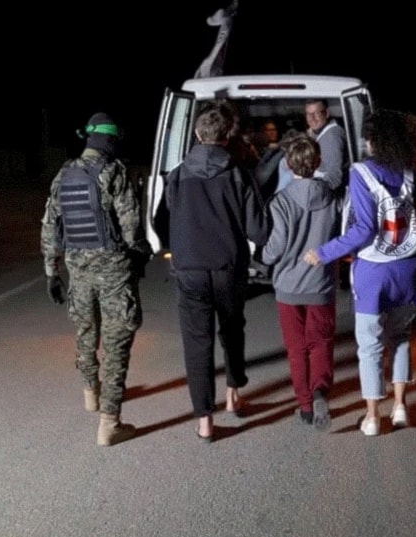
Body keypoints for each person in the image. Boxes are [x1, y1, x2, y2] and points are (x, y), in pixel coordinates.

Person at [304, 109, 416, 437]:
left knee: (370, 346)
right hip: (409, 267)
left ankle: (372, 417)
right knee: (400, 338)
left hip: (374, 271)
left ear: (373, 139)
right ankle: (400, 406)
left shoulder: (361, 172)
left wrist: (324, 252)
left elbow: (363, 229)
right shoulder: (413, 172)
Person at [40, 112, 152, 447]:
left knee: (86, 331)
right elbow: (131, 225)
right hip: (113, 269)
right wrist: (140, 253)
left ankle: (91, 393)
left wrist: (51, 272)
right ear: (111, 141)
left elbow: (50, 225)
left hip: (78, 268)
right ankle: (109, 422)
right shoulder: (114, 172)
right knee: (118, 339)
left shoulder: (64, 174)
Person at [165, 101, 268, 442]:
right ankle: (234, 394)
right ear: (226, 137)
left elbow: (166, 219)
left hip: (190, 269)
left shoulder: (178, 174)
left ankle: (204, 421)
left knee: (198, 342)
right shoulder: (238, 173)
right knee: (232, 329)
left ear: (197, 134)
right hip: (228, 268)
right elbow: (258, 231)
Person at [260, 133, 340, 431]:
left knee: (297, 349)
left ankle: (305, 405)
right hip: (321, 283)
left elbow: (276, 247)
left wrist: (262, 256)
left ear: (288, 165)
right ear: (317, 161)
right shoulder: (332, 197)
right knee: (320, 342)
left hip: (289, 286)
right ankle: (320, 389)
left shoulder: (280, 202)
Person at [304, 99, 349, 195]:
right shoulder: (316, 132)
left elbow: (335, 176)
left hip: (324, 196)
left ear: (327, 113)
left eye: (316, 113)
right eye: (308, 114)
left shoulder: (332, 136)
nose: (312, 118)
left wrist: (312, 195)